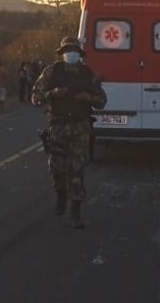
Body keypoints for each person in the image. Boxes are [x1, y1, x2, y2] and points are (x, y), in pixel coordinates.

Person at [31, 37, 107, 228]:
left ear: (79, 54)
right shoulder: (51, 73)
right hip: (57, 126)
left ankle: (75, 211)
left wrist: (88, 97)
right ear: (62, 53)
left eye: (74, 50)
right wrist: (52, 93)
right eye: (67, 50)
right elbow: (35, 97)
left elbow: (102, 100)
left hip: (80, 127)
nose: (70, 53)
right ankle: (61, 195)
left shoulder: (88, 74)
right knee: (56, 167)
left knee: (76, 169)